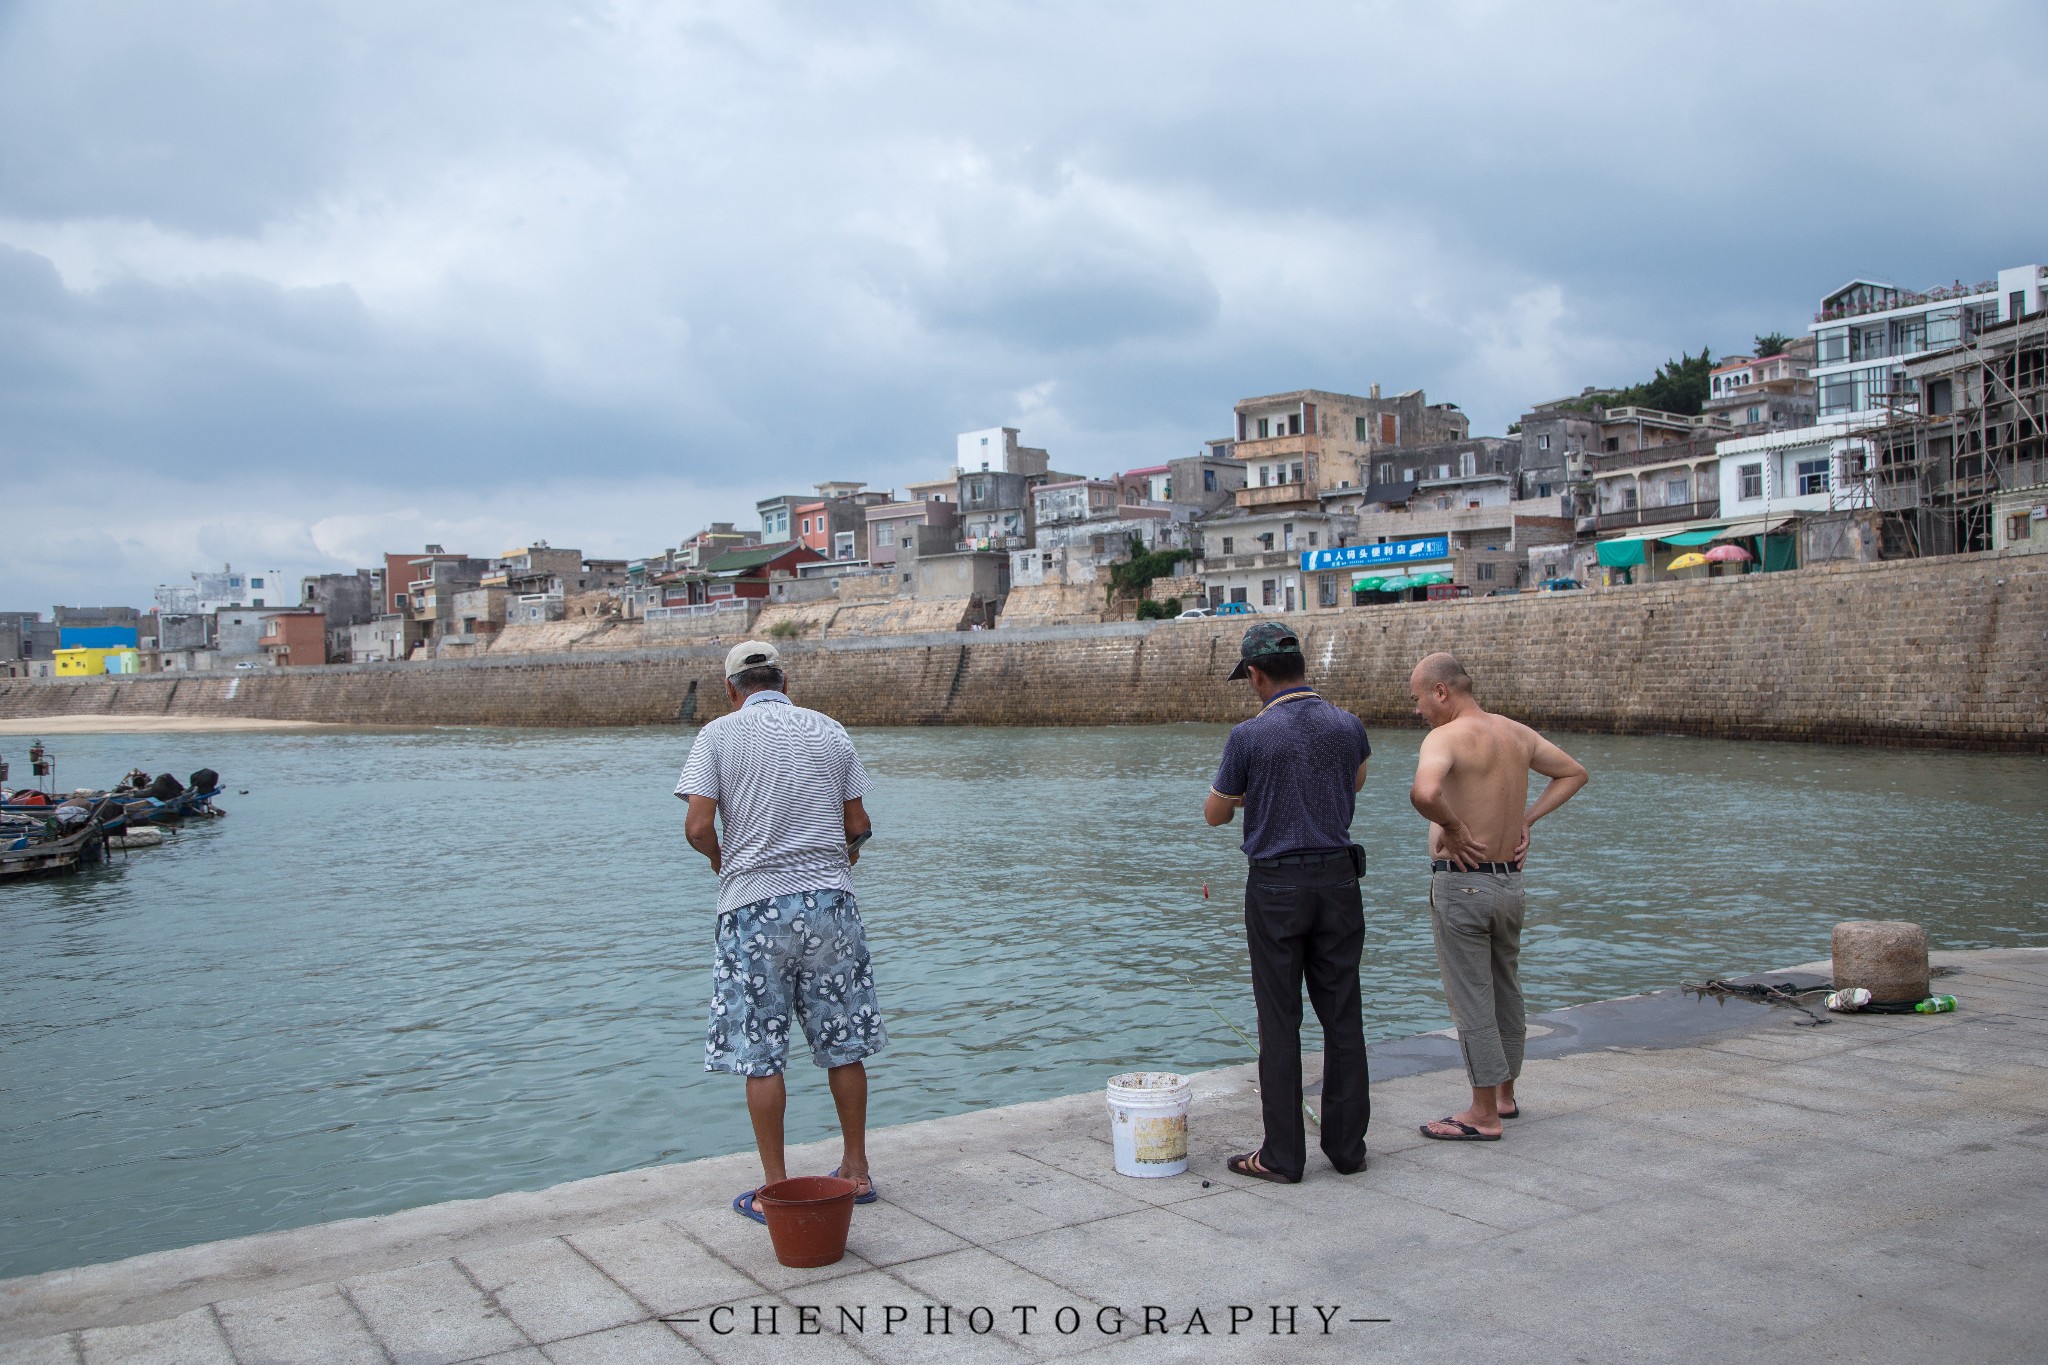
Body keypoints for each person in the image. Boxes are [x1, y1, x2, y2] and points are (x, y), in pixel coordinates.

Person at [675, 640, 886, 1222]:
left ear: (730, 689)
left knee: (762, 1054)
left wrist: (723, 861)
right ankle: (858, 1170)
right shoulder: (828, 730)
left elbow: (697, 825)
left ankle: (777, 1189)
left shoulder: (716, 736)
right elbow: (859, 823)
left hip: (753, 910)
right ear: (783, 682)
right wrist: (842, 862)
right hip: (831, 906)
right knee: (843, 1041)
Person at [1203, 623, 1373, 1183]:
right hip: (1339, 881)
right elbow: (1358, 781)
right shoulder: (1347, 725)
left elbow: (1216, 811)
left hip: (1276, 887)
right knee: (1342, 1015)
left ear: (1255, 675)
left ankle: (1282, 1156)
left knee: (1280, 1021)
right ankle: (1347, 1150)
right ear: (1303, 666)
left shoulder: (1249, 736)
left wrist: (1255, 794)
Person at [1406, 652, 1588, 1142]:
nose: (1418, 710)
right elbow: (1573, 772)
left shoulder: (1446, 737)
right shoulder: (1515, 733)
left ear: (1441, 691)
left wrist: (1454, 828)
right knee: (1505, 987)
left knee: (1472, 998)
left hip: (1463, 883)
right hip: (1510, 883)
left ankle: (1482, 1114)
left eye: (1419, 699)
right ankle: (1504, 1095)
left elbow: (1424, 792)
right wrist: (1526, 819)